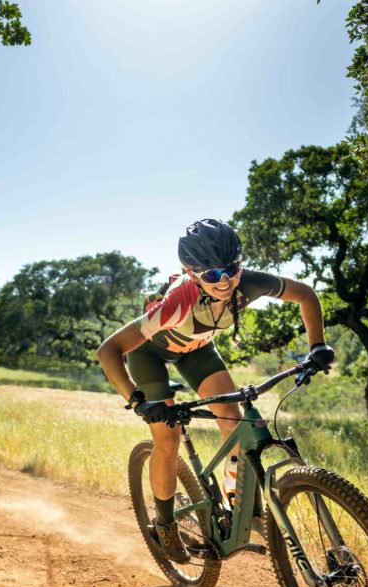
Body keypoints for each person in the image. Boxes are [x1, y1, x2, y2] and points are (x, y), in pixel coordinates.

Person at [96, 219, 334, 563]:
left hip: (196, 350)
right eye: (211, 275)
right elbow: (109, 350)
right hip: (150, 355)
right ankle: (164, 525)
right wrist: (138, 401)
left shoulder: (249, 282)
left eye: (231, 269)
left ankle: (242, 511)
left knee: (236, 423)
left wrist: (317, 345)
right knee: (168, 438)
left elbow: (305, 295)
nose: (224, 281)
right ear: (190, 273)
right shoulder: (177, 303)